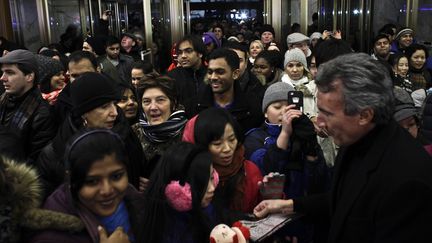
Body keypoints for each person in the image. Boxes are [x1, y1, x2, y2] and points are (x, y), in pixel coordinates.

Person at [253, 53, 432, 242]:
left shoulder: (408, 181)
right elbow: (342, 200)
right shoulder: (355, 139)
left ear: (364, 115)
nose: (319, 122)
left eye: (326, 114)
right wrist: (287, 205)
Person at [37, 72, 146, 198]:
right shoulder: (55, 153)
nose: (114, 112)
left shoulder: (127, 136)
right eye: (104, 107)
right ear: (84, 113)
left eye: (114, 104)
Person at [31, 129, 145, 243]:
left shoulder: (136, 202)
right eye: (92, 182)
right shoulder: (51, 235)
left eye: (116, 176)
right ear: (71, 181)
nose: (107, 190)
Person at [182, 107, 264, 214]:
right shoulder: (187, 177)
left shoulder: (249, 170)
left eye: (231, 140)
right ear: (201, 145)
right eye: (217, 144)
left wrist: (271, 196)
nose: (227, 149)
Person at [141, 142, 218, 242]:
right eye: (200, 184)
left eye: (212, 177)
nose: (212, 188)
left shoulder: (205, 207)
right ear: (177, 191)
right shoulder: (171, 234)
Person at [0, 49, 56, 162]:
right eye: (3, 72)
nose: (2, 78)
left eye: (10, 73)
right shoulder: (3, 101)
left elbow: (37, 160)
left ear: (29, 76)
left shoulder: (42, 114)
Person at [194, 48, 263, 133]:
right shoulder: (196, 105)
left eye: (220, 72)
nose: (213, 77)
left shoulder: (252, 108)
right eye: (210, 72)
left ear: (235, 74)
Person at [132, 76, 187, 180]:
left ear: (174, 103)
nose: (153, 107)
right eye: (146, 101)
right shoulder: (133, 133)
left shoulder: (188, 132)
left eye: (160, 100)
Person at [167, 35, 207, 117]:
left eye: (188, 51)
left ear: (200, 54)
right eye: (180, 52)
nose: (183, 56)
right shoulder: (171, 77)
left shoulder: (211, 75)